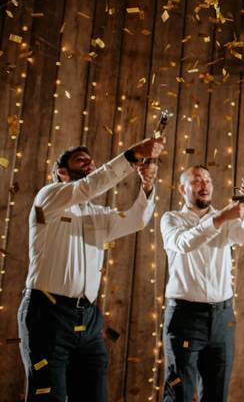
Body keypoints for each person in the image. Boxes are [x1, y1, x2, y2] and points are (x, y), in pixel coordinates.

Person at [18, 136, 165, 402]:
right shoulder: (47, 198)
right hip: (47, 315)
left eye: (91, 161)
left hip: (88, 319)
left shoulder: (96, 212)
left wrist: (147, 186)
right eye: (80, 160)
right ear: (62, 172)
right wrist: (131, 155)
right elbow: (87, 187)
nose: (89, 164)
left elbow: (136, 220)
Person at [160, 166, 244, 402]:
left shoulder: (225, 218)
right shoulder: (171, 219)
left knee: (217, 394)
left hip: (222, 318)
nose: (204, 184)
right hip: (185, 317)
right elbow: (185, 243)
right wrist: (222, 217)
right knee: (179, 394)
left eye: (208, 180)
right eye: (197, 180)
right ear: (182, 189)